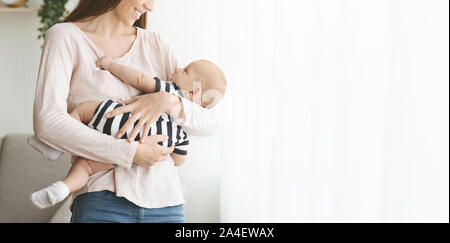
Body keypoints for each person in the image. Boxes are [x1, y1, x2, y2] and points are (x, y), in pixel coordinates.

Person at [33, 0, 219, 223]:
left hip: (166, 203)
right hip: (101, 201)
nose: (150, 7)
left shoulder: (157, 44)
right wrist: (130, 152)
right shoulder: (65, 37)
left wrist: (168, 102)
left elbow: (208, 121)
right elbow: (48, 122)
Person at [29, 58, 227, 209]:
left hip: (119, 120)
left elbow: (139, 79)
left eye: (185, 71)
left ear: (193, 92)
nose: (177, 68)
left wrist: (111, 65)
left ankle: (53, 147)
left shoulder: (170, 90)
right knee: (87, 167)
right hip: (134, 148)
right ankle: (63, 188)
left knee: (81, 112)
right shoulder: (183, 133)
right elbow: (178, 160)